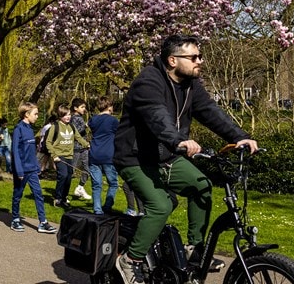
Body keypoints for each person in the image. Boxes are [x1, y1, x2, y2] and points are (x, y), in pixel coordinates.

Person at [113, 35, 257, 284]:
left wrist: (240, 137)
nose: (200, 61)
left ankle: (195, 251)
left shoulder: (191, 86)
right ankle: (130, 260)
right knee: (161, 206)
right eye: (193, 57)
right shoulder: (148, 82)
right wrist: (177, 140)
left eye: (200, 56)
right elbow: (157, 115)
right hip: (136, 158)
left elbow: (211, 113)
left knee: (201, 186)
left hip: (168, 155)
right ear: (172, 60)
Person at [10, 101, 57, 234]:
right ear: (26, 114)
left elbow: (32, 152)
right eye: (35, 114)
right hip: (21, 170)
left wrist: (37, 166)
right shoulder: (18, 129)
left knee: (38, 194)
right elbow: (15, 152)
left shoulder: (30, 130)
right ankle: (15, 219)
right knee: (18, 195)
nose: (37, 116)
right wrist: (18, 170)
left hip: (32, 170)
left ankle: (43, 222)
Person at [46, 103, 89, 208]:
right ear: (60, 116)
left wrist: (87, 144)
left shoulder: (71, 126)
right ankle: (58, 198)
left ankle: (64, 198)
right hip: (59, 156)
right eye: (65, 115)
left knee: (69, 177)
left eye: (69, 114)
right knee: (63, 175)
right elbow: (48, 142)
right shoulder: (55, 126)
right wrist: (54, 155)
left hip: (70, 155)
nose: (68, 117)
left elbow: (78, 138)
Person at [87, 95, 119, 214]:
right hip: (108, 155)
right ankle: (107, 206)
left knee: (96, 184)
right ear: (109, 106)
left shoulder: (93, 120)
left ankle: (97, 209)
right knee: (113, 184)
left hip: (94, 154)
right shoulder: (113, 121)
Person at [70, 97, 93, 201]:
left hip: (83, 148)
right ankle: (62, 193)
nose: (84, 109)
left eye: (85, 107)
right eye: (82, 107)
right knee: (71, 170)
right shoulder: (73, 118)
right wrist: (86, 125)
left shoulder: (80, 117)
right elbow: (75, 132)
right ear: (75, 108)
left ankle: (80, 187)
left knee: (87, 169)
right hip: (76, 149)